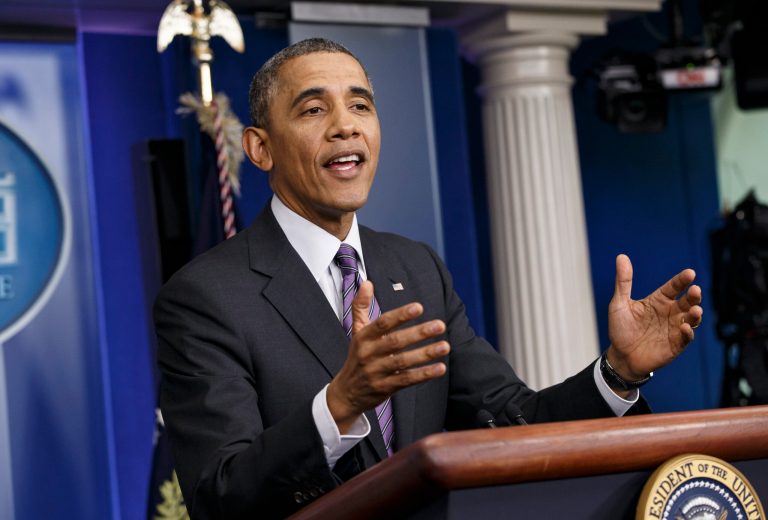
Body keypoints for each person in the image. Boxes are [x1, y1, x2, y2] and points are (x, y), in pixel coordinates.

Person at [154, 38, 703, 520]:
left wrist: (619, 373)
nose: (345, 125)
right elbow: (219, 496)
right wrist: (338, 405)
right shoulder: (206, 297)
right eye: (314, 109)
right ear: (260, 147)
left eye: (361, 106)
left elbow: (514, 423)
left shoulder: (415, 268)